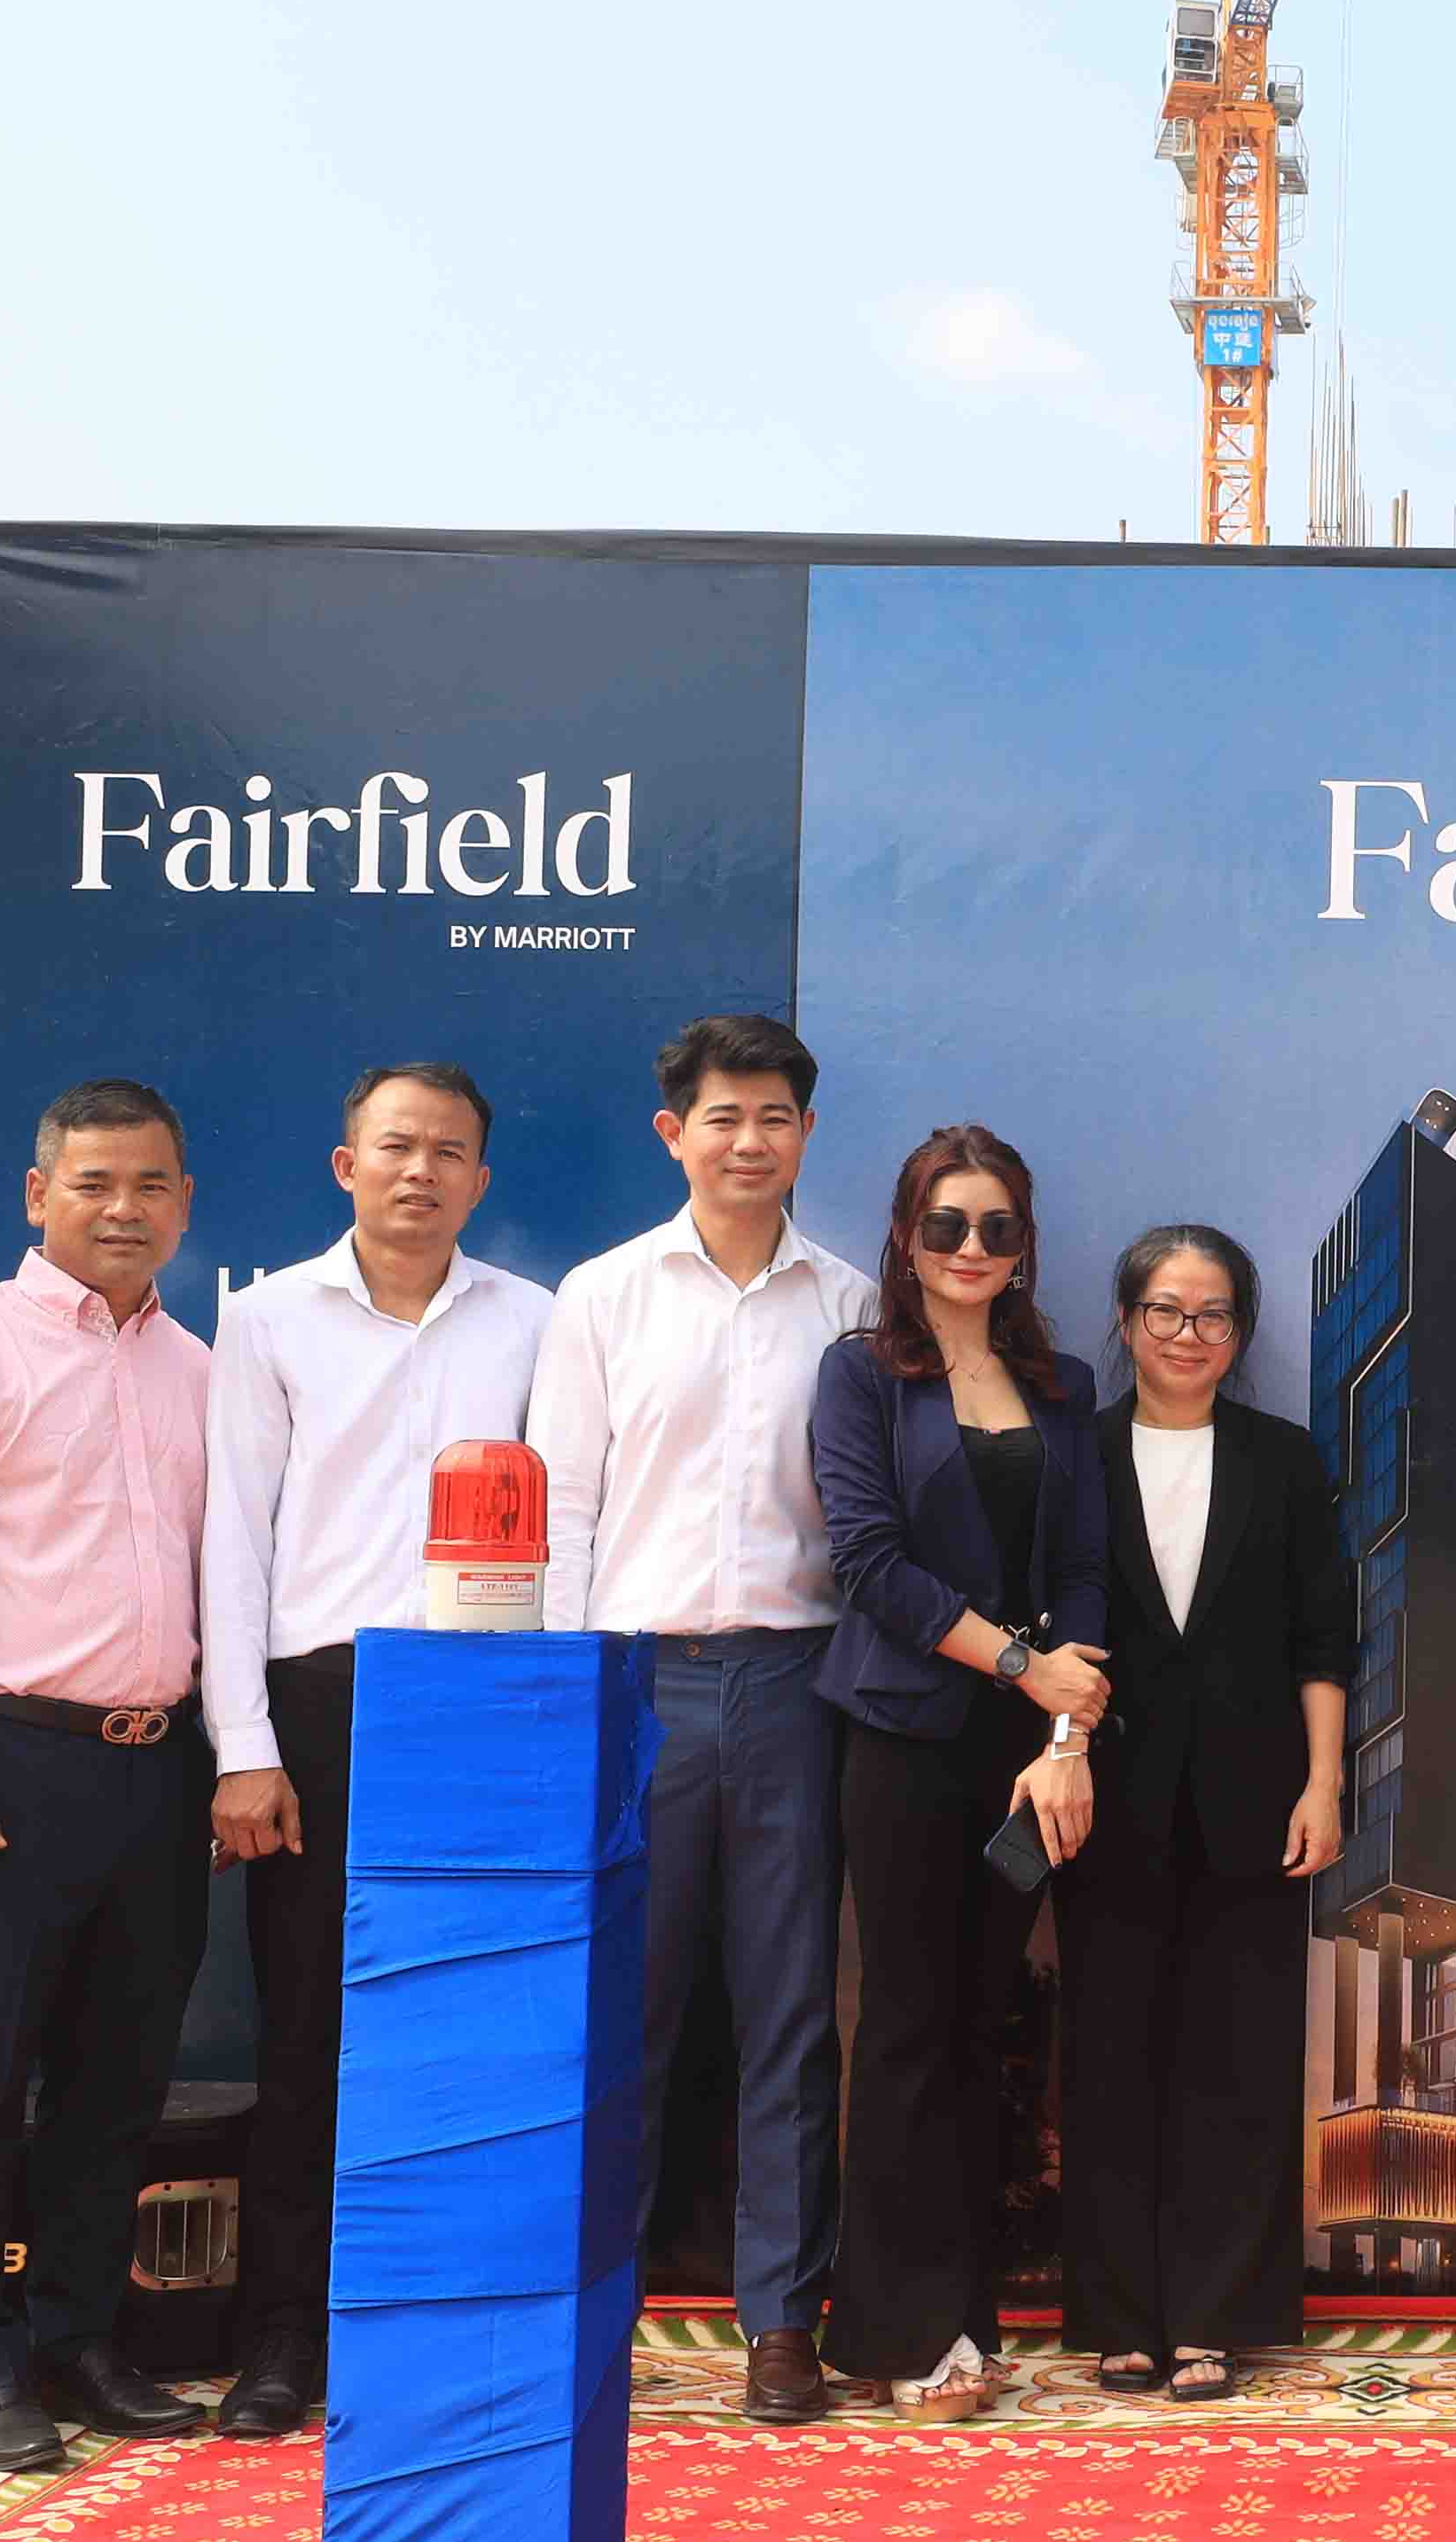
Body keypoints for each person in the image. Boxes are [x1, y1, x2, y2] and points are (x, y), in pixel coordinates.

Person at [529, 1015, 881, 2427]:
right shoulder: (604, 1296)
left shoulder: (851, 1306)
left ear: (807, 1134)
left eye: (775, 1117)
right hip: (640, 1684)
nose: (750, 1141)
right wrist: (571, 1699)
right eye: (723, 1117)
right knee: (626, 2016)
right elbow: (561, 1505)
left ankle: (782, 2324)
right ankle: (586, 2320)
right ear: (674, 1133)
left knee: (790, 2016)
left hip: (798, 1686)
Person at [0, 1077, 223, 2478]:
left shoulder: (198, 1370)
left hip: (156, 1770)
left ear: (185, 1203)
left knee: (116, 2081)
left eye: (151, 1185)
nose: (124, 1209)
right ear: (38, 1194)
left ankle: (79, 2338)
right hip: (2, 1764)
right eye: (94, 1183)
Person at [196, 1061, 552, 2438]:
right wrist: (244, 1744)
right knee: (309, 2029)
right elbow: (234, 1537)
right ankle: (284, 2331)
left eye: (449, 1152)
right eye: (396, 1147)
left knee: (469, 2028)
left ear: (480, 1178)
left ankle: (449, 2328)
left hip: (480, 1703)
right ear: (347, 1164)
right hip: (319, 1704)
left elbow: (565, 1521)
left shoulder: (533, 1322)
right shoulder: (268, 1319)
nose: (421, 1172)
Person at [809, 1123, 1112, 2421]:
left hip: (1029, 1756)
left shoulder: (1063, 1384)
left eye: (997, 1227)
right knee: (906, 2027)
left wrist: (1065, 1739)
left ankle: (968, 2321)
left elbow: (1086, 1570)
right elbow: (868, 1562)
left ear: (1025, 1243)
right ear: (905, 1236)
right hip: (904, 1733)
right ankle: (899, 2331)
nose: (971, 1248)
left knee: (985, 2028)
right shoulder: (861, 1372)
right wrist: (1025, 1668)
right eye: (947, 1225)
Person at [1066, 1221, 1357, 2400]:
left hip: (1257, 1792)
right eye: (1167, 1310)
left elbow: (1323, 1637)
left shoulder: (1283, 1459)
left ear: (1240, 1332)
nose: (1190, 1334)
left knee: (1238, 2053)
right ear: (1127, 1318)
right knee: (1111, 2047)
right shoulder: (1075, 1452)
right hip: (1106, 1790)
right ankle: (1120, 2314)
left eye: (1215, 1314)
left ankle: (1215, 2317)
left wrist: (1324, 1781)